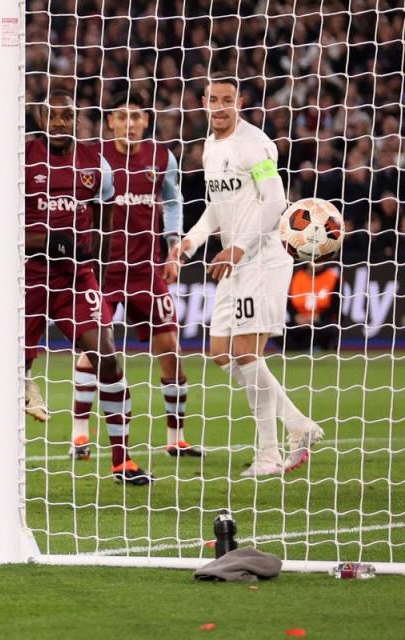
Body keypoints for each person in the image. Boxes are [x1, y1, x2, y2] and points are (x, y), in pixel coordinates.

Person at [0, 90, 154, 485]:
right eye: (51, 114)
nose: (58, 121)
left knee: (106, 358)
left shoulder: (97, 165)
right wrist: (52, 242)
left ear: (78, 119)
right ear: (40, 117)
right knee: (11, 372)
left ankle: (122, 461)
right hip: (28, 278)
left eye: (66, 114)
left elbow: (105, 225)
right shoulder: (18, 158)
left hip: (77, 280)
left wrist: (100, 278)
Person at [165, 74, 323, 477]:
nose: (219, 107)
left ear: (240, 102)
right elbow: (216, 209)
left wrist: (239, 247)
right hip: (232, 261)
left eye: (227, 100)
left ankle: (269, 455)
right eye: (213, 99)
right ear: (203, 102)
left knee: (246, 351)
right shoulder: (209, 147)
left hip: (263, 257)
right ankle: (296, 423)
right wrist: (189, 243)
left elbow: (275, 201)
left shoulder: (254, 144)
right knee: (221, 350)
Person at [72, 92, 202, 460]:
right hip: (102, 273)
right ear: (109, 121)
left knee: (172, 353)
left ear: (147, 121)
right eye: (122, 116)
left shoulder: (162, 157)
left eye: (137, 117)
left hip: (147, 271)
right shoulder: (94, 158)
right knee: (95, 351)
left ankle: (176, 437)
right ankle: (80, 434)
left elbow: (173, 200)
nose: (129, 123)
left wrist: (173, 247)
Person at [285, 262, 341, 352]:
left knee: (330, 329)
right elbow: (289, 301)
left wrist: (317, 317)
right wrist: (296, 316)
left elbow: (336, 306)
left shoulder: (332, 277)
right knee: (280, 331)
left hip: (320, 321)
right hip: (299, 321)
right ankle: (300, 350)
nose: (316, 262)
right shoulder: (298, 276)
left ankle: (310, 348)